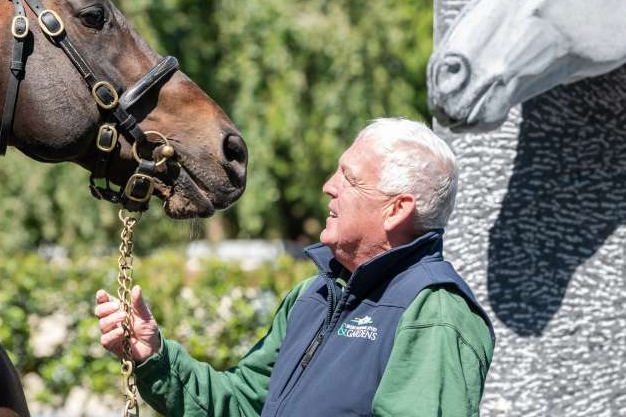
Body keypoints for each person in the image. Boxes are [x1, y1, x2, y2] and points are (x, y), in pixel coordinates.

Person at [94, 117, 494, 416]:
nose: (328, 186)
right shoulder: (314, 295)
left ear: (397, 210)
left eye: (349, 179)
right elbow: (244, 403)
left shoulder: (435, 312)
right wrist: (154, 357)